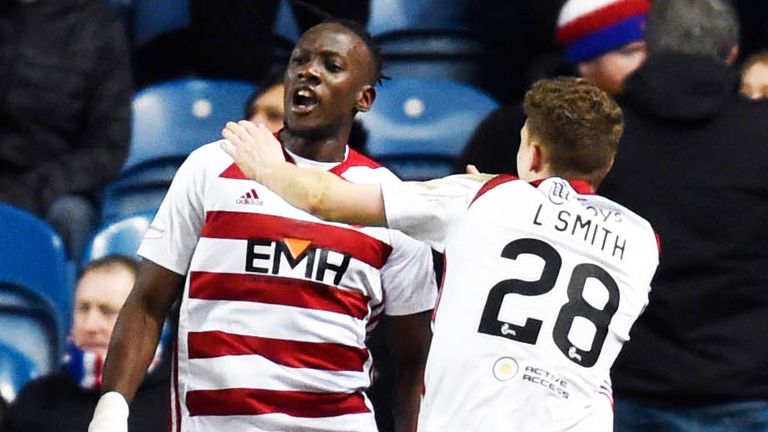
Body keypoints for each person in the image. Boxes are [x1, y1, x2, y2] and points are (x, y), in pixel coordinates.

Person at [220, 76, 660, 431]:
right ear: (607, 163)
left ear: (534, 152)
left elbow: (323, 198)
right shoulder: (643, 243)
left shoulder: (481, 199)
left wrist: (268, 166)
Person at [88, 20, 436, 432]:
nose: (308, 71)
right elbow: (147, 302)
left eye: (331, 65)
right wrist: (111, 408)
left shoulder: (386, 199)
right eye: (299, 61)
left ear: (364, 98)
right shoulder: (212, 166)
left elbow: (413, 358)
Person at [595, 0, 768, 430]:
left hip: (626, 385)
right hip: (749, 387)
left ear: (648, 48)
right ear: (732, 53)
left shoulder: (599, 139)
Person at [0, 0, 132, 262]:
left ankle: (65, 300)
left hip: (53, 187)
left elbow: (107, 149)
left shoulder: (98, 29)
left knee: (72, 215)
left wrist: (34, 190)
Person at [457, 0, 650, 175]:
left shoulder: (652, 121)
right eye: (628, 53)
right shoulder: (516, 127)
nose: (642, 61)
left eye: (644, 50)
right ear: (585, 63)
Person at [0, 256, 168, 432]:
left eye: (107, 311)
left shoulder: (177, 402)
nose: (90, 325)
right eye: (83, 308)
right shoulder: (36, 400)